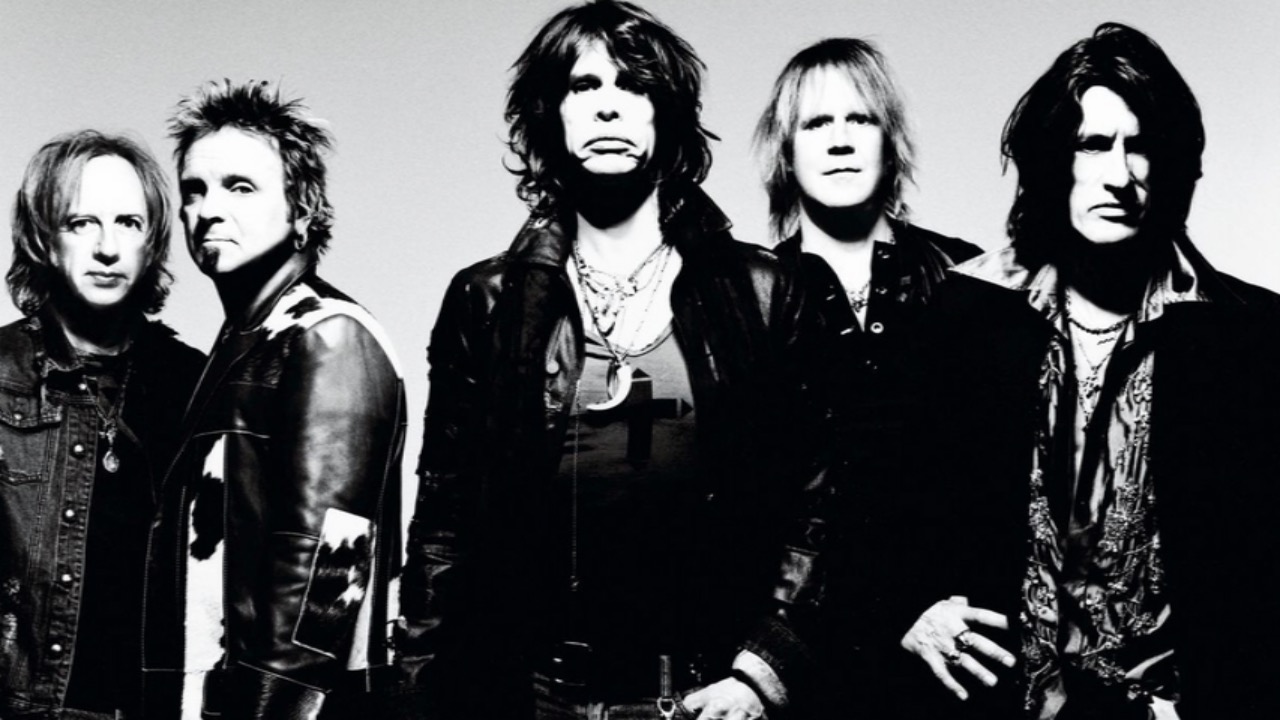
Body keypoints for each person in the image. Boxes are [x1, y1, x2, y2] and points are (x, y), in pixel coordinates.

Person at [393, 2, 812, 718]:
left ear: (666, 115)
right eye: (584, 86)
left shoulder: (761, 291)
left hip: (707, 694)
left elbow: (818, 497)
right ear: (550, 114)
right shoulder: (486, 301)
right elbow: (444, 524)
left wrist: (761, 670)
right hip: (531, 696)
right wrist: (420, 692)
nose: (609, 106)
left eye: (634, 85)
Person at [898, 23, 1280, 719]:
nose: (1120, 175)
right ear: (1052, 158)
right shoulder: (966, 310)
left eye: (1142, 146)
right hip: (998, 701)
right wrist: (913, 608)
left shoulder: (1250, 333)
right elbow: (882, 499)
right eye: (1093, 144)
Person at [141, 80, 406, 720]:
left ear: (302, 210)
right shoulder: (242, 344)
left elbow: (327, 571)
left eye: (240, 187)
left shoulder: (328, 336)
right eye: (194, 190)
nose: (208, 209)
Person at [751, 37, 980, 715]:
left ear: (891, 139)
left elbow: (1002, 483)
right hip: (794, 664)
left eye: (861, 119)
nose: (841, 140)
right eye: (816, 123)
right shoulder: (747, 297)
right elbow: (748, 507)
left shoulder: (970, 282)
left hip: (950, 662)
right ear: (785, 151)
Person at [0, 130, 205, 719]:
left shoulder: (196, 385)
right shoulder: (3, 372)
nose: (107, 248)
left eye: (128, 223)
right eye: (81, 222)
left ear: (153, 241)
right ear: (44, 237)